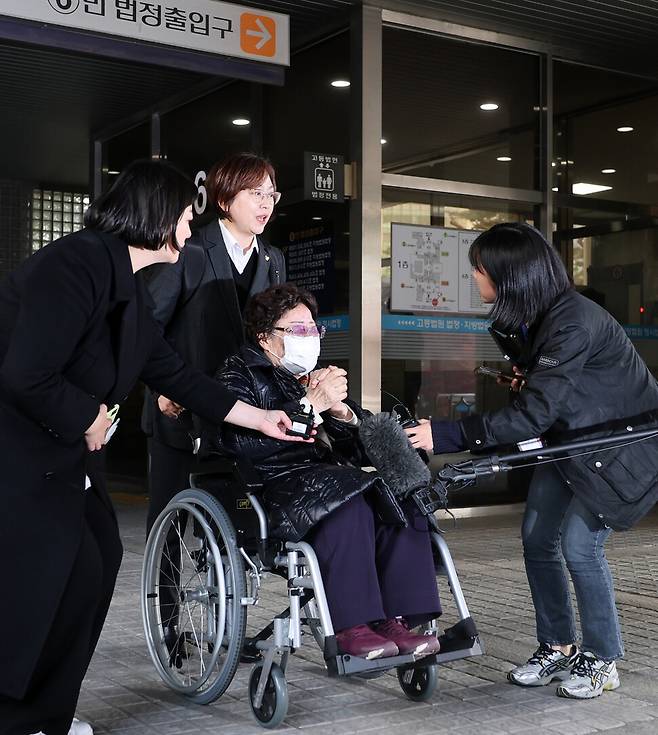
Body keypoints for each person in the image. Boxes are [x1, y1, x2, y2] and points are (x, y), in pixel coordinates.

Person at [0, 160, 304, 735]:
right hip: (17, 452)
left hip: (60, 455)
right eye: (186, 217)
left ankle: (44, 713)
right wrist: (89, 414)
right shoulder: (75, 263)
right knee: (43, 580)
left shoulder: (129, 293)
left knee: (97, 562)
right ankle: (19, 715)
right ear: (159, 218)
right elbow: (25, 373)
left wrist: (260, 417)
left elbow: (179, 376)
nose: (190, 229)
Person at [405, 222, 658, 699]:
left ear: (509, 275)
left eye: (479, 271)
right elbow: (552, 393)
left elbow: (534, 414)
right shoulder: (530, 319)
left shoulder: (574, 322)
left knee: (580, 547)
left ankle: (603, 658)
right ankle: (557, 646)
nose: (475, 280)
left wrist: (445, 433)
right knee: (537, 538)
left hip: (617, 450)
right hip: (573, 446)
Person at [202, 283, 442, 660]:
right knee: (350, 500)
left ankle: (395, 619)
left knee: (401, 496)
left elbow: (362, 449)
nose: (309, 337)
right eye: (297, 329)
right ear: (266, 338)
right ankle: (351, 625)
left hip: (329, 481)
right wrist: (310, 404)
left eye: (314, 328)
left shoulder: (314, 377)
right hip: (270, 486)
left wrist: (342, 413)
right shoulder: (239, 373)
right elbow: (240, 445)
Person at [141, 152, 286, 537]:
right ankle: (165, 599)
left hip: (241, 413)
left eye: (271, 195)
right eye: (255, 193)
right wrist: (160, 390)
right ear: (224, 199)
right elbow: (148, 326)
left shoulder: (273, 260)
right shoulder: (189, 250)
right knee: (168, 525)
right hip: (180, 410)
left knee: (231, 525)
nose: (265, 204)